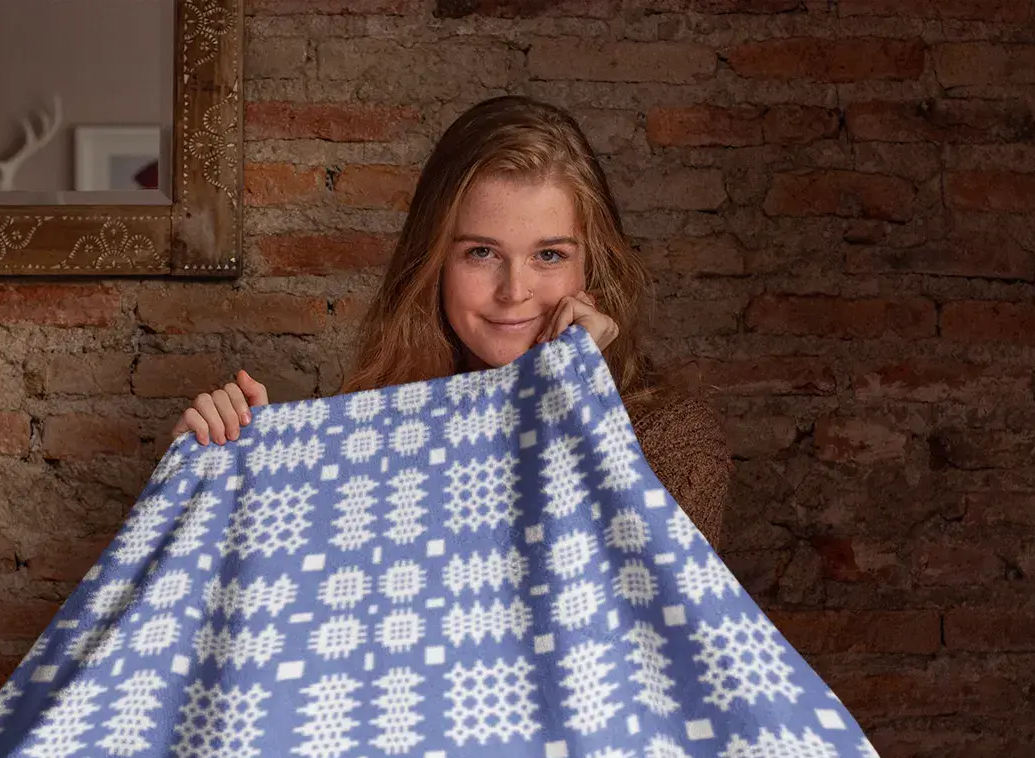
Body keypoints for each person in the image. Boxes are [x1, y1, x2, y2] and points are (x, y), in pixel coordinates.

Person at [170, 94, 734, 545]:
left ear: (593, 265)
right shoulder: (376, 431)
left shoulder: (672, 443)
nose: (515, 291)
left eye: (550, 255)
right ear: (435, 262)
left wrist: (571, 399)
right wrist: (231, 476)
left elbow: (624, 613)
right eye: (481, 253)